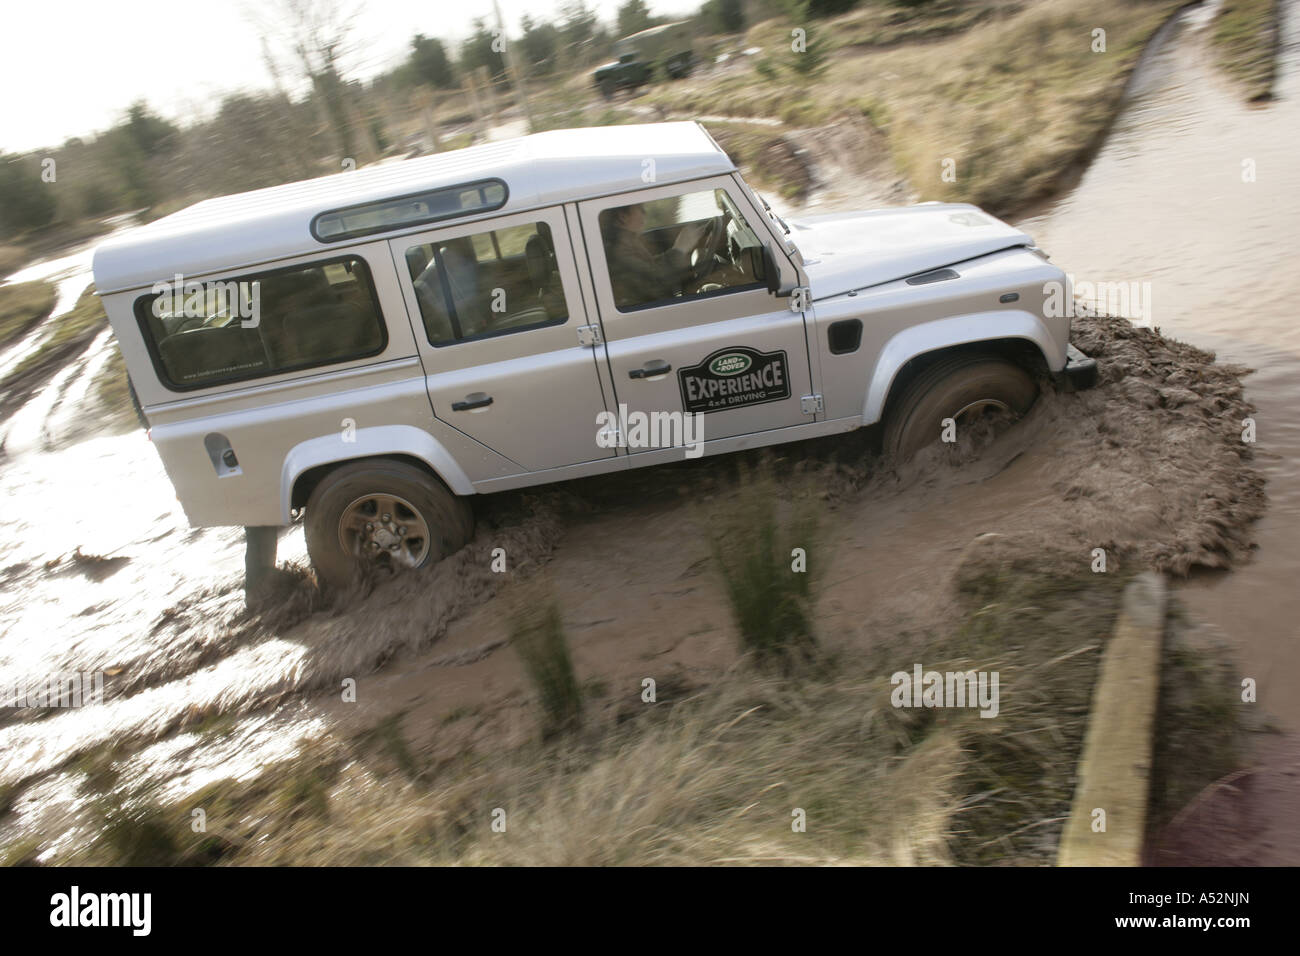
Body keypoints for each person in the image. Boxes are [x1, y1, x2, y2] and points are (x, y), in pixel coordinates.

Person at [604, 202, 708, 309]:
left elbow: (649, 266)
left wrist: (678, 249)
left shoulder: (627, 241)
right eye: (640, 209)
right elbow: (652, 279)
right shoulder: (617, 250)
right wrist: (680, 249)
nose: (645, 213)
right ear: (623, 217)